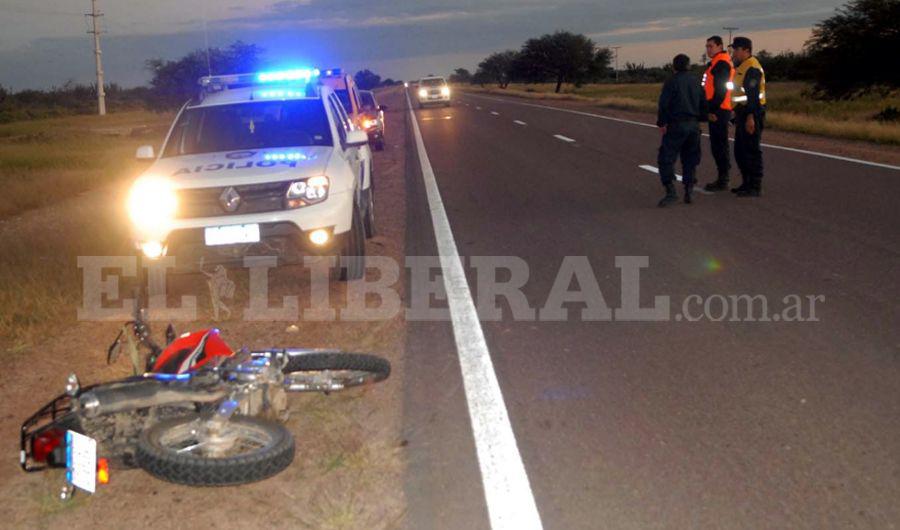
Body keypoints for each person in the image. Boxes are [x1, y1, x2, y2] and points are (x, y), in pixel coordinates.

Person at [656, 54, 707, 207]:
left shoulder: (672, 81)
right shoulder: (696, 81)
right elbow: (703, 102)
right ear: (688, 65)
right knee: (690, 159)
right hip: (693, 125)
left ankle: (671, 192)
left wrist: (662, 123)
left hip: (676, 125)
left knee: (666, 158)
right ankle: (688, 191)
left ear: (674, 67)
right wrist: (702, 119)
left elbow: (664, 103)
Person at [729, 36, 766, 197]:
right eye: (734, 49)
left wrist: (751, 117)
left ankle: (755, 185)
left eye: (737, 49)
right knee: (740, 150)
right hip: (742, 113)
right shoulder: (741, 66)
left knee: (751, 149)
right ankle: (746, 182)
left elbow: (752, 95)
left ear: (747, 51)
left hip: (752, 113)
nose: (734, 52)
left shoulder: (752, 67)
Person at [701, 35, 735, 191]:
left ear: (719, 46)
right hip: (719, 108)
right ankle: (723, 178)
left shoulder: (721, 63)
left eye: (711, 46)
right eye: (707, 46)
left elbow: (720, 90)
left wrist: (712, 110)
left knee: (719, 145)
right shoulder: (716, 63)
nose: (708, 49)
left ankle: (723, 179)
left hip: (719, 110)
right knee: (718, 144)